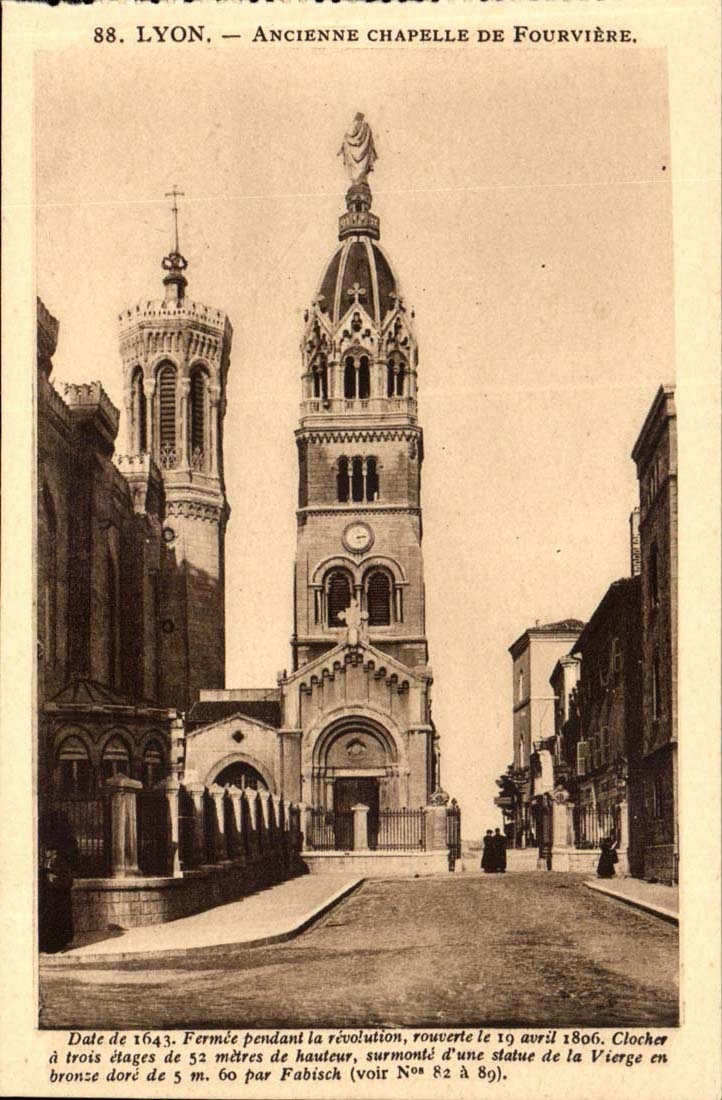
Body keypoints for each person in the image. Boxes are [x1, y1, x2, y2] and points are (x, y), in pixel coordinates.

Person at [39, 811, 78, 953]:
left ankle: (53, 944)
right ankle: (53, 943)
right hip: (55, 890)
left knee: (54, 917)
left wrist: (52, 876)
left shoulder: (59, 856)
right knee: (54, 917)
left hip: (56, 890)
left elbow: (66, 875)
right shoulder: (65, 845)